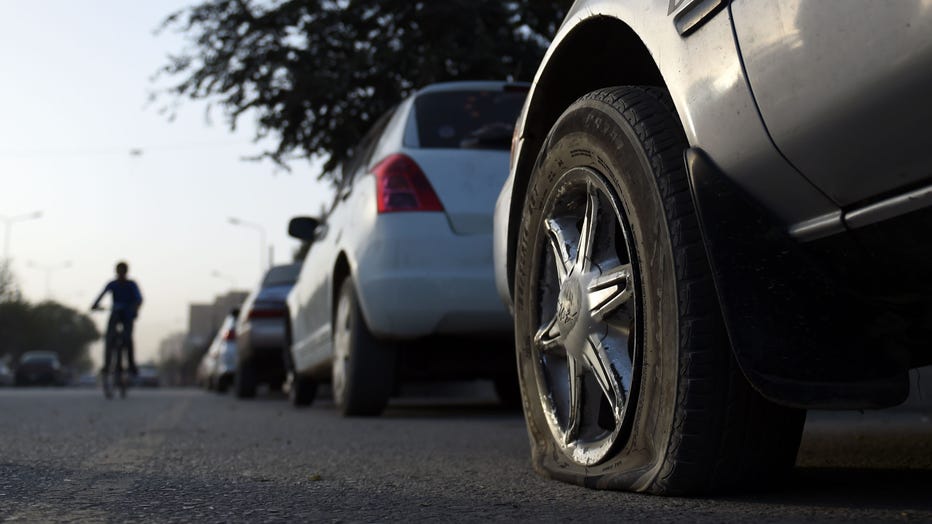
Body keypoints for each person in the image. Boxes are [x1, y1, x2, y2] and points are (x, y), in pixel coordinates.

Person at [91, 261, 143, 377]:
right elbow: (101, 295)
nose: (120, 273)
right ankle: (107, 365)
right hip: (115, 313)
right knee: (109, 338)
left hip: (127, 315)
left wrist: (135, 309)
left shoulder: (131, 285)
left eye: (122, 271)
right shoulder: (112, 284)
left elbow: (139, 298)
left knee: (128, 338)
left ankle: (131, 365)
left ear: (126, 272)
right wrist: (95, 305)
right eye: (119, 271)